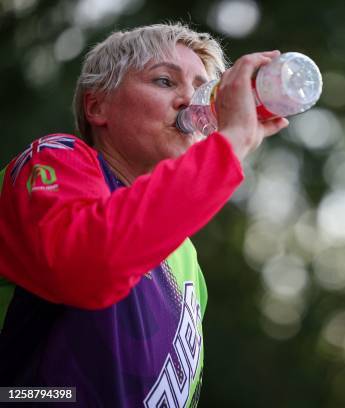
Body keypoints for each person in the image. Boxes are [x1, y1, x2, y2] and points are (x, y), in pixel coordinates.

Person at [0, 23, 288, 407]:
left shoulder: (186, 260)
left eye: (203, 90)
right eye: (165, 81)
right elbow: (86, 265)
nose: (191, 101)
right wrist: (231, 144)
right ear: (97, 106)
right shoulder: (58, 156)